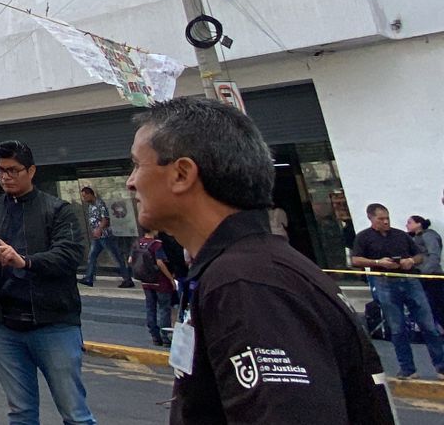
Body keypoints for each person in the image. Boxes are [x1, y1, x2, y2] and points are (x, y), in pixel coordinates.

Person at [127, 98, 397, 422]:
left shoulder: (246, 284)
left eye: (137, 165)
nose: (131, 182)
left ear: (182, 174)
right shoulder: (247, 268)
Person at [0, 140, 93, 425]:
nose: (5, 176)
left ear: (31, 171)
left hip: (53, 324)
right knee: (20, 413)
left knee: (75, 413)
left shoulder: (58, 210)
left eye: (12, 170)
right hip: (3, 326)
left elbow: (70, 255)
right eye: (0, 171)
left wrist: (24, 261)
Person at [352, 202, 444, 378]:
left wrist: (411, 261)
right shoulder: (363, 237)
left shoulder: (400, 235)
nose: (385, 222)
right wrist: (378, 262)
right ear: (371, 218)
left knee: (428, 325)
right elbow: (356, 260)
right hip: (385, 281)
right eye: (381, 219)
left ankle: (441, 366)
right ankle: (408, 368)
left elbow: (418, 255)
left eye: (387, 218)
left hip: (409, 280)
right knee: (397, 328)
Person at [128, 226, 175, 347]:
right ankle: (165, 337)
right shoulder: (157, 244)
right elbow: (160, 262)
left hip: (146, 281)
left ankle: (154, 336)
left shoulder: (137, 243)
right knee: (164, 309)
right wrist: (171, 278)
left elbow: (130, 260)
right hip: (160, 281)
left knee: (150, 307)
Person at [78, 186, 132, 289]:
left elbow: (105, 219)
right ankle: (89, 278)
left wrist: (99, 229)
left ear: (90, 194)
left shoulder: (100, 204)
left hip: (105, 235)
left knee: (116, 256)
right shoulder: (91, 206)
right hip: (97, 237)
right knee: (92, 256)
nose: (84, 199)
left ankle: (127, 279)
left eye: (85, 196)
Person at [407, 215, 444, 332]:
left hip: (431, 276)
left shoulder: (429, 236)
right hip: (421, 275)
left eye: (410, 222)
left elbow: (434, 255)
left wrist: (425, 272)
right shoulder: (414, 238)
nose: (407, 225)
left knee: (437, 305)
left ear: (418, 224)